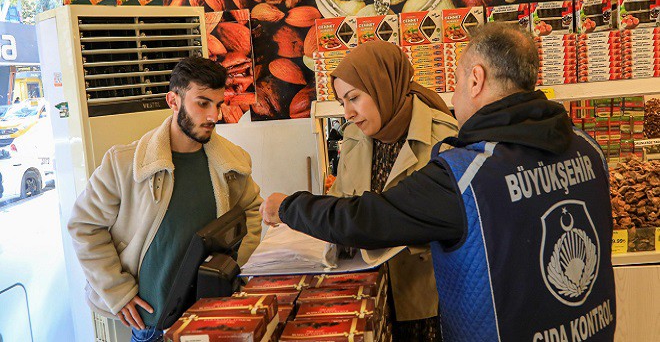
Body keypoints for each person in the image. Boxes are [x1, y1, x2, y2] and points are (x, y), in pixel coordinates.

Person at [261, 24, 616, 341]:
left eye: (458, 79)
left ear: (475, 79)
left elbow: (367, 218)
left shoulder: (465, 173)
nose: (452, 92)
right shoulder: (588, 149)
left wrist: (289, 206)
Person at [68, 57, 263, 342]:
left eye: (218, 104)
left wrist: (232, 269)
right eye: (202, 103)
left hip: (213, 319)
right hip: (152, 328)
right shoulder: (123, 164)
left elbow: (252, 211)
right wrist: (117, 291)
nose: (214, 116)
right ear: (173, 101)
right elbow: (84, 226)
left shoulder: (232, 162)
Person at [328, 40, 461, 340]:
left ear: (383, 85)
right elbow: (339, 200)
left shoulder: (444, 137)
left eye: (355, 98)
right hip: (368, 296)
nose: (348, 112)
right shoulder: (353, 137)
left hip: (427, 303)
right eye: (342, 103)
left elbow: (460, 223)